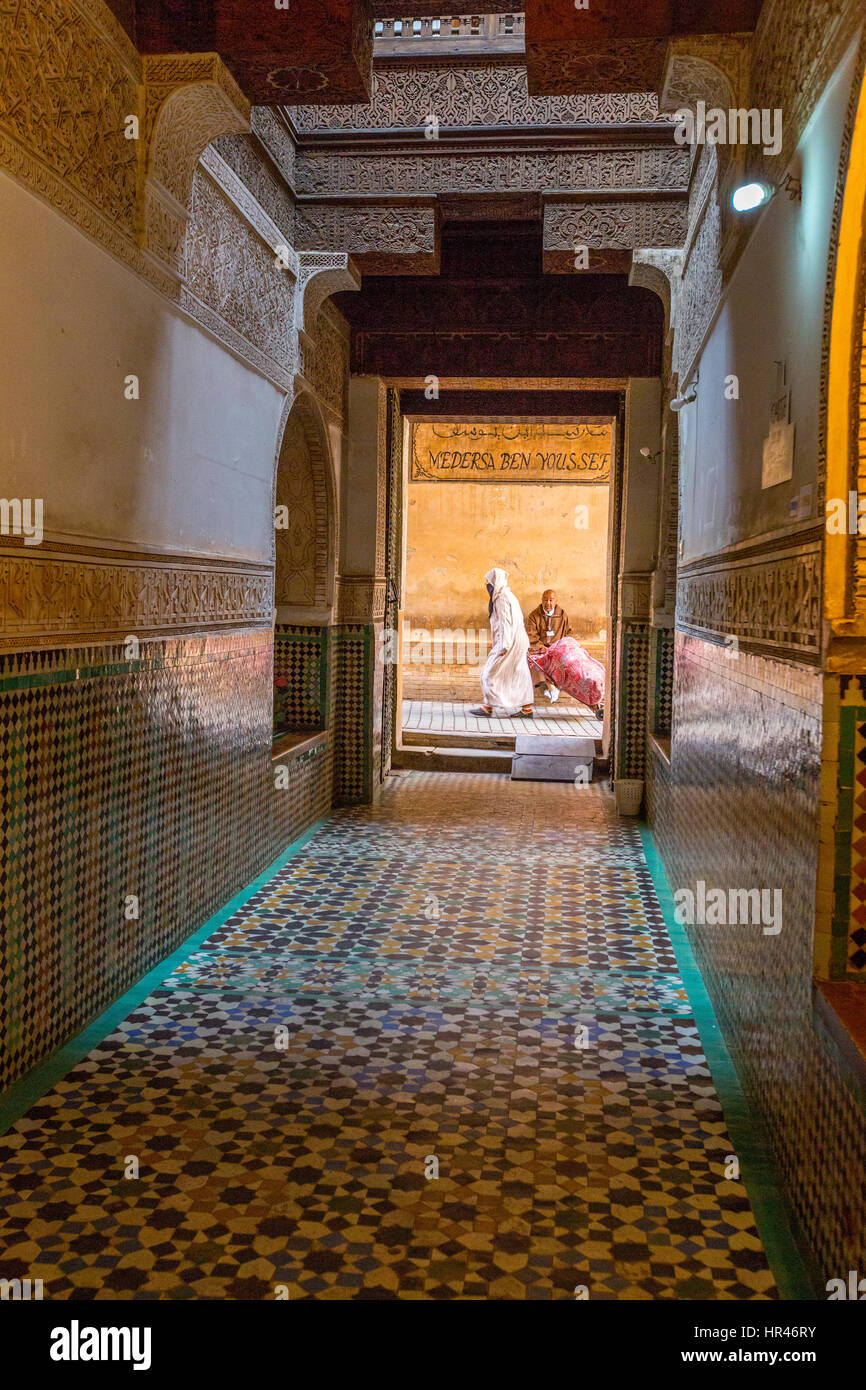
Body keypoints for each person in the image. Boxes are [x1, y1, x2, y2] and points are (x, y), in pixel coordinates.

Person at [470, 568, 535, 718]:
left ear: (494, 582)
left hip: (510, 641)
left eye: (488, 581)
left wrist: (504, 646)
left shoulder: (501, 599)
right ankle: (526, 709)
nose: (486, 584)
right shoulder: (509, 596)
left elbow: (506, 623)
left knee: (489, 672)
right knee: (519, 674)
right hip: (519, 640)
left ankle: (487, 707)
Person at [526, 589, 573, 703]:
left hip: (557, 649)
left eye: (551, 600)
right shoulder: (534, 615)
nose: (548, 603)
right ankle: (550, 686)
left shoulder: (562, 615)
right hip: (540, 648)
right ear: (541, 600)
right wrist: (542, 647)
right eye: (545, 600)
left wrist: (560, 647)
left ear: (556, 601)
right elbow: (531, 635)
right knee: (533, 660)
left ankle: (552, 687)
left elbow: (569, 634)